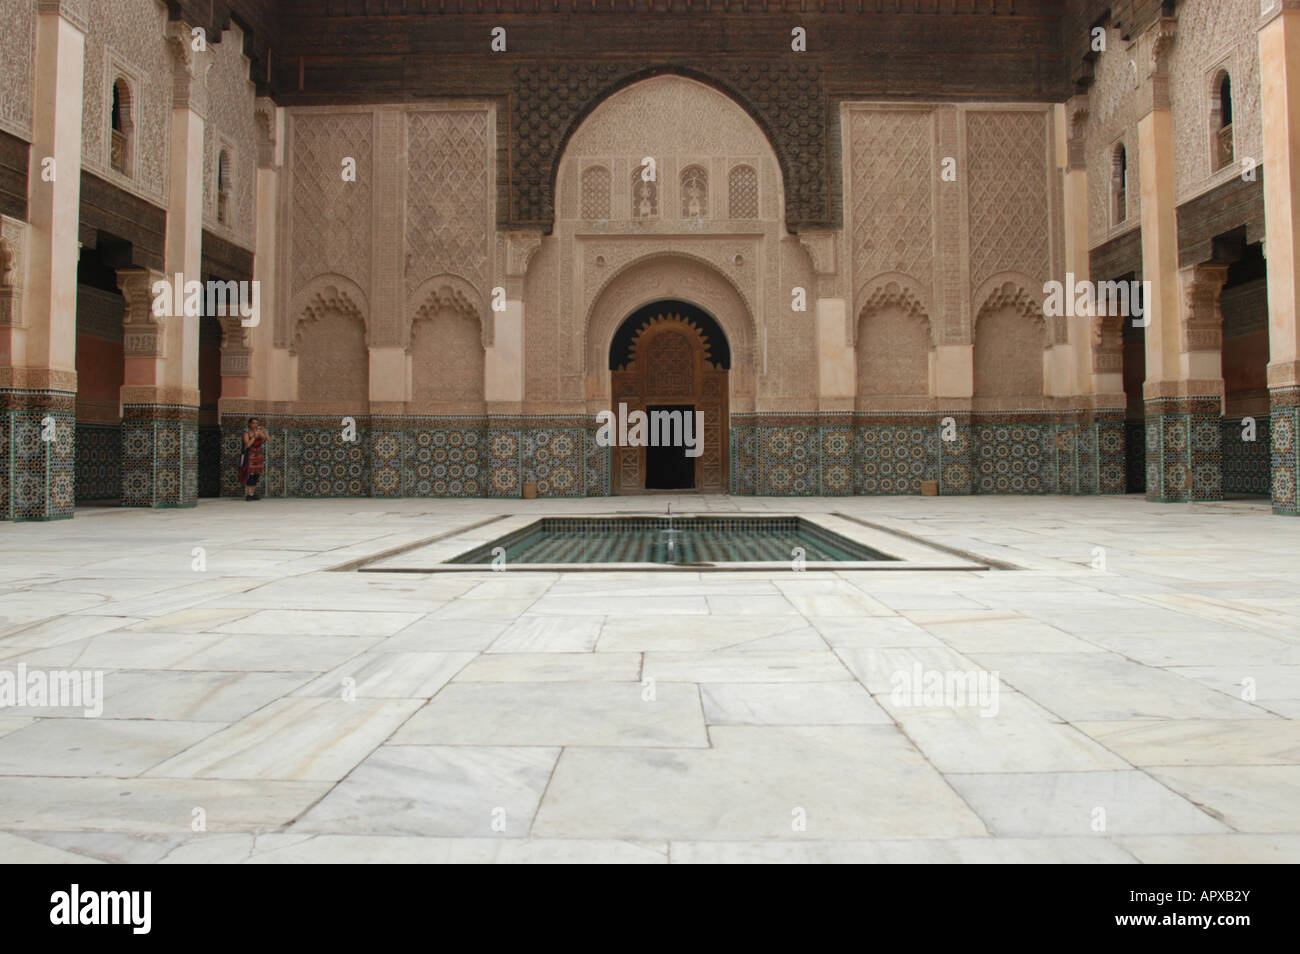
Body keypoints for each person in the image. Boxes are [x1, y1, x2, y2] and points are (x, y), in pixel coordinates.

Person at [239, 418, 268, 501]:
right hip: (250, 456)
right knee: (250, 474)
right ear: (249, 424)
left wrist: (264, 432)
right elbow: (247, 445)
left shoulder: (259, 433)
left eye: (256, 423)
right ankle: (249, 493)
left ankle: (252, 493)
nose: (255, 425)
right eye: (253, 423)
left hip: (258, 456)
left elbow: (267, 439)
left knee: (256, 474)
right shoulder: (246, 434)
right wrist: (254, 437)